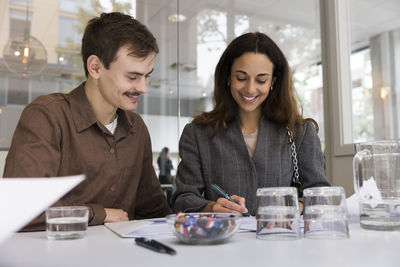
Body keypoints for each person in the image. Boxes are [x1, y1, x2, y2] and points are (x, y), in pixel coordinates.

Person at [3, 12, 170, 231]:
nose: (143, 88)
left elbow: (153, 209)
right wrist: (99, 214)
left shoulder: (136, 128)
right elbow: (20, 208)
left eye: (147, 76)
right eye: (132, 77)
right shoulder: (46, 116)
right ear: (95, 67)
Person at [171, 32, 330, 215]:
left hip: (282, 239)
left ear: (273, 82)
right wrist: (211, 207)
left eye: (261, 80)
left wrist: (294, 208)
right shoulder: (198, 133)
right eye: (241, 77)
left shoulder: (300, 132)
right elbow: (182, 199)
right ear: (228, 76)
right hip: (224, 240)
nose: (250, 89)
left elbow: (321, 195)